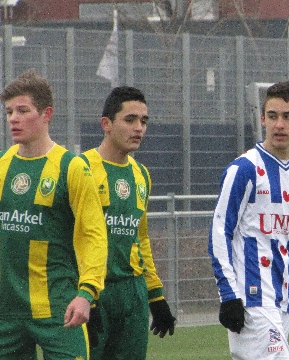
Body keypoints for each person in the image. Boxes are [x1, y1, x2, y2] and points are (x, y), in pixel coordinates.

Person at [208, 81, 289, 360]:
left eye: (287, 116)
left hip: (280, 302)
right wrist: (229, 295)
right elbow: (219, 232)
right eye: (272, 116)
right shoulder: (244, 169)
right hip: (250, 300)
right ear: (263, 119)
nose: (279, 125)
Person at [0, 69, 108, 359]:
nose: (13, 118)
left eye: (23, 110)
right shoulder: (2, 166)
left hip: (59, 309)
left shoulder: (71, 168)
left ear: (46, 114)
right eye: (9, 111)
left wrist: (87, 293)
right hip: (6, 312)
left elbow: (94, 234)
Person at [81, 86, 177, 359]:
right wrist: (85, 295)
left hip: (132, 292)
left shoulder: (141, 175)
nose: (139, 128)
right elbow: (69, 240)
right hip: (95, 291)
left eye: (144, 121)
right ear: (106, 124)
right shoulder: (80, 168)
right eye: (130, 120)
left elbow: (141, 238)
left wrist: (155, 295)